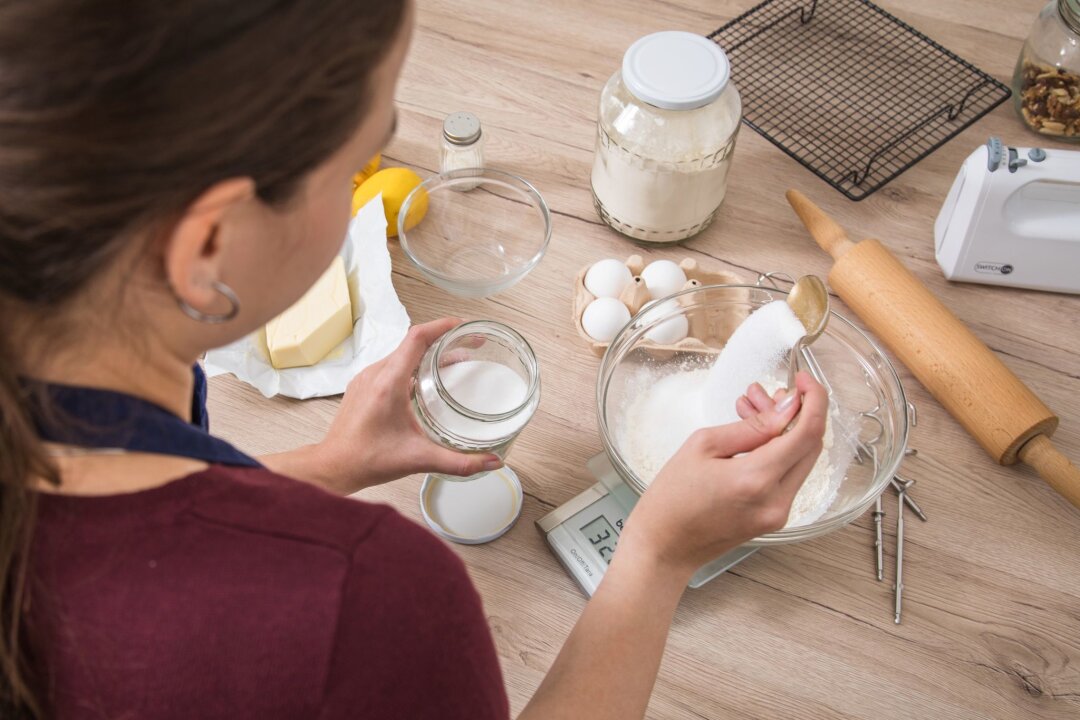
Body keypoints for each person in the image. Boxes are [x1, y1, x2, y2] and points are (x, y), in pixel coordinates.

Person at [0, 0, 828, 717]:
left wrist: (327, 464)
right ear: (209, 242)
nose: (372, 194)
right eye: (357, 165)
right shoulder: (367, 599)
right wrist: (656, 557)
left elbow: (140, 539)